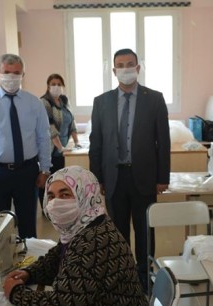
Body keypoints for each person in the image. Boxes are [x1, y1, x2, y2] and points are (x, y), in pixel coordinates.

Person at [3, 166, 153, 306]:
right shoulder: (86, 226)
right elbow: (58, 258)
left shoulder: (93, 242)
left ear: (86, 194)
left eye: (65, 194)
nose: (56, 203)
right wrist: (29, 273)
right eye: (52, 196)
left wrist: (15, 293)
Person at [89, 48, 171, 289]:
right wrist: (97, 179)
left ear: (138, 67)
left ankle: (145, 277)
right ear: (114, 71)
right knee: (118, 231)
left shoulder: (154, 99)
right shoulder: (101, 102)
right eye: (121, 65)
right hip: (114, 177)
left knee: (145, 230)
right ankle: (123, 277)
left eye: (130, 64)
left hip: (144, 177)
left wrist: (162, 177)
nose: (126, 69)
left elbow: (163, 141)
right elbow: (97, 144)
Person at [0, 53, 51, 239]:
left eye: (16, 73)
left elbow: (43, 137)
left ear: (23, 74)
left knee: (28, 225)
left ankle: (29, 265)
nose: (11, 77)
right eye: (7, 72)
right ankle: (2, 266)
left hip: (27, 171)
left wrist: (45, 170)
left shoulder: (34, 104)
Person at [38, 74, 80, 208]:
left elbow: (71, 122)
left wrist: (76, 141)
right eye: (53, 84)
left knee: (61, 180)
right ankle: (48, 208)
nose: (56, 86)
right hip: (51, 149)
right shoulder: (44, 102)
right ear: (48, 86)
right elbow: (49, 127)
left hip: (63, 150)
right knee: (49, 180)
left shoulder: (64, 101)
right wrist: (60, 147)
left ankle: (61, 205)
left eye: (59, 84)